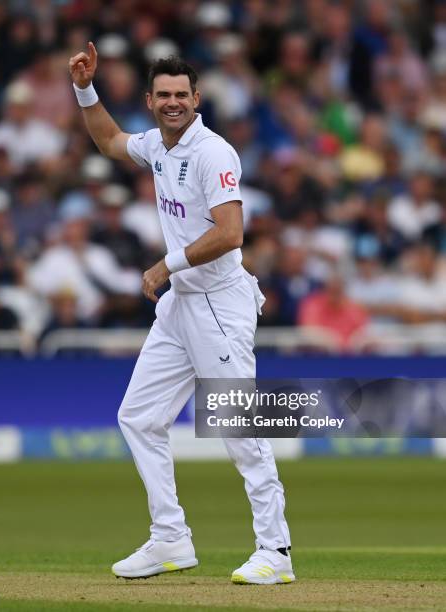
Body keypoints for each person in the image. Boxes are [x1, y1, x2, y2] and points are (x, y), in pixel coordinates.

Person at [69, 43, 294, 585]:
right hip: (181, 305)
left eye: (182, 96)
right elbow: (107, 140)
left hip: (218, 302)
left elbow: (231, 233)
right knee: (139, 417)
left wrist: (165, 265)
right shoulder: (156, 145)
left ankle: (276, 551)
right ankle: (170, 537)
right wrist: (84, 88)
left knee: (237, 426)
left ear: (197, 99)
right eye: (163, 95)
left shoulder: (213, 153)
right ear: (150, 101)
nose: (173, 103)